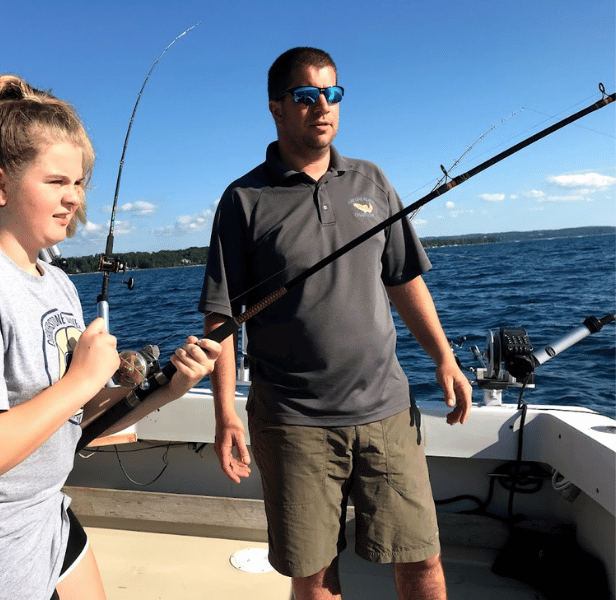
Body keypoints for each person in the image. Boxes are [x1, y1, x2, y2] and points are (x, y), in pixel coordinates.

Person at [0, 74, 220, 600]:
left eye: (80, 182)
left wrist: (166, 390)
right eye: (56, 182)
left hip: (41, 515)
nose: (74, 199)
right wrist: (82, 378)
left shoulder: (56, 282)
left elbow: (73, 421)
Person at [199, 47, 472, 600]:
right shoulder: (243, 199)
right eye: (306, 96)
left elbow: (402, 279)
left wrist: (444, 356)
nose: (322, 107)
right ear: (277, 107)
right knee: (316, 576)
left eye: (333, 94)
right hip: (293, 421)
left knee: (422, 560)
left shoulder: (371, 181)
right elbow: (221, 319)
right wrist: (225, 412)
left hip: (388, 410)